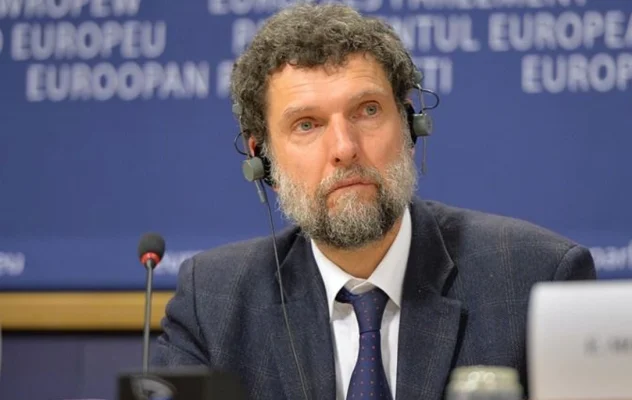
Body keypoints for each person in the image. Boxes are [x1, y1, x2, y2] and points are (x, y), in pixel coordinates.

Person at [152, 3, 597, 399]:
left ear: (409, 128)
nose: (345, 148)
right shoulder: (213, 303)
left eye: (367, 110)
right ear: (262, 160)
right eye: (307, 124)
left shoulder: (535, 281)